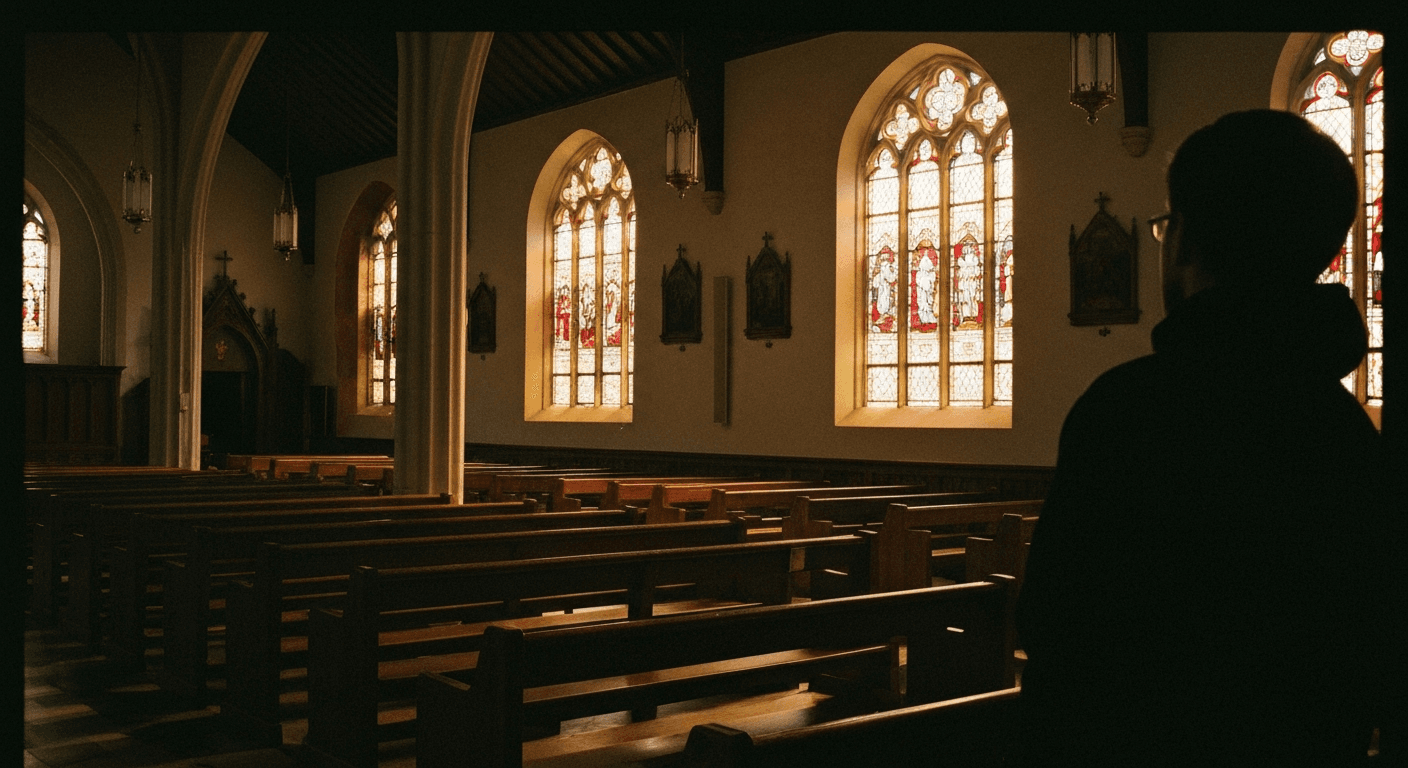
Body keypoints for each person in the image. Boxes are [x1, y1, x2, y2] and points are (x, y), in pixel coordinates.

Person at [1014, 109, 1395, 767]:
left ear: (1184, 236)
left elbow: (1058, 630)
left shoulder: (1134, 411)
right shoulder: (1348, 432)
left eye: (1165, 223)